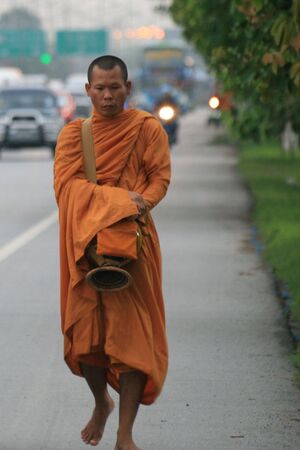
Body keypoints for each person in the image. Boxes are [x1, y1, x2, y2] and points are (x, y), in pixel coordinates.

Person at [53, 55, 171, 450]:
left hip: (134, 245)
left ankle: (125, 433)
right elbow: (65, 190)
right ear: (87, 90)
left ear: (128, 88)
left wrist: (138, 206)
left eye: (114, 87)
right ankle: (100, 400)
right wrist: (119, 200)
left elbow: (159, 178)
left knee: (134, 336)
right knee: (86, 336)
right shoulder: (74, 135)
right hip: (85, 246)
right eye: (99, 88)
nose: (106, 96)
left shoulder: (146, 129)